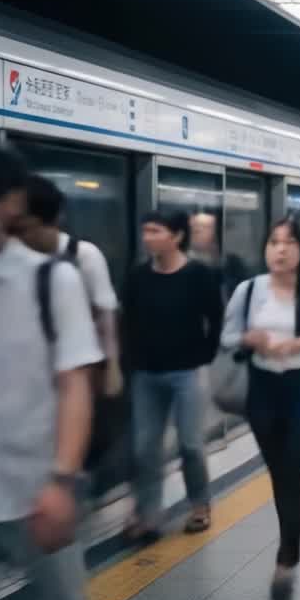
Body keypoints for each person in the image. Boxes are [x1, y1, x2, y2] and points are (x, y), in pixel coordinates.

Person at [0, 147, 100, 600]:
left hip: (35, 493)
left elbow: (74, 383)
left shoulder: (51, 280)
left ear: (8, 204)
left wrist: (62, 480)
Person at [220, 217, 300, 600]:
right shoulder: (248, 290)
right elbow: (226, 337)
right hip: (264, 392)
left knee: (291, 472)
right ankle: (289, 555)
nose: (281, 250)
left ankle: (285, 563)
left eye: (289, 243)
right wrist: (248, 339)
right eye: (273, 242)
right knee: (282, 476)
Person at [18, 176, 129, 495]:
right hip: (37, 373)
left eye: (28, 227)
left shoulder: (83, 255)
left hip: (82, 365)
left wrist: (112, 367)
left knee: (80, 435)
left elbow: (106, 313)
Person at [121, 209, 223, 540]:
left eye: (155, 231)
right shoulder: (138, 276)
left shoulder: (198, 275)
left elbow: (215, 318)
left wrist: (204, 355)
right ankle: (150, 515)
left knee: (191, 444)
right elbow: (128, 320)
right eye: (146, 231)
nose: (148, 237)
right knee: (145, 448)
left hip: (186, 373)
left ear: (176, 236)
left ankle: (199, 504)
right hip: (146, 374)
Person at [189, 212, 249, 301]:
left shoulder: (233, 264)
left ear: (216, 231)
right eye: (194, 228)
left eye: (205, 227)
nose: (198, 231)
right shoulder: (182, 265)